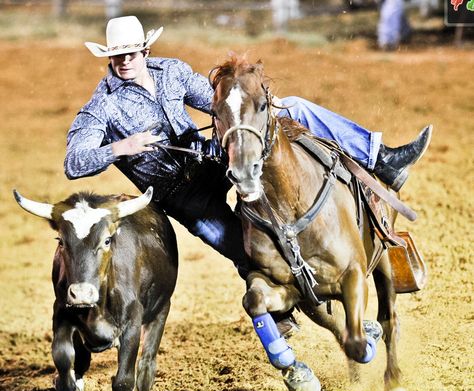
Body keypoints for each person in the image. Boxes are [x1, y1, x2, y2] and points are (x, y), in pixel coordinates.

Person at [65, 16, 431, 334]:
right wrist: (119, 148)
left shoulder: (171, 72)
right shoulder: (102, 107)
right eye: (118, 54)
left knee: (296, 108)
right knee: (248, 254)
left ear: (145, 51)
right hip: (187, 198)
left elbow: (221, 102)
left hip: (219, 161)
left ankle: (379, 157)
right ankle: (298, 308)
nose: (125, 60)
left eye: (132, 52)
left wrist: (251, 109)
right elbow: (74, 161)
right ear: (108, 57)